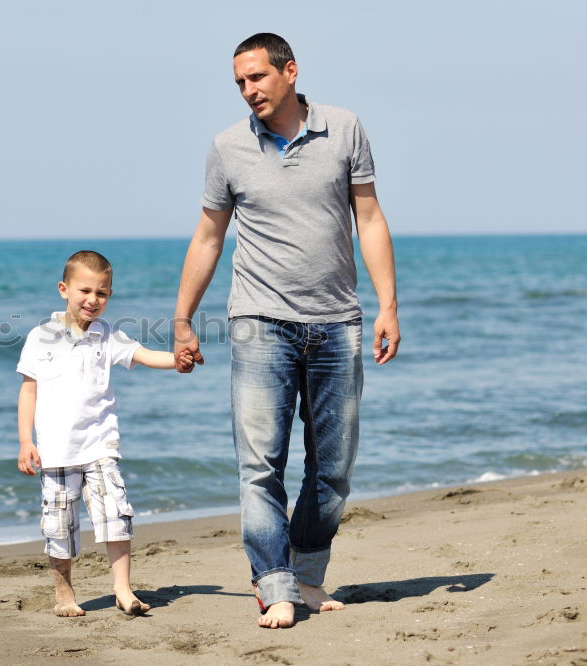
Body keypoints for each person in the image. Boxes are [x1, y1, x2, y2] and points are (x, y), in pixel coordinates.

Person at [173, 33, 400, 629]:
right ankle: (274, 584)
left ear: (290, 72)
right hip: (258, 323)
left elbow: (369, 218)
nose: (249, 91)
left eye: (257, 78)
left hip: (336, 322)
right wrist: (182, 320)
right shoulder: (227, 148)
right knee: (260, 465)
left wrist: (388, 306)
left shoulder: (345, 129)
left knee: (333, 469)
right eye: (240, 83)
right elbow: (208, 237)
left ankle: (307, 574)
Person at [16, 250, 193, 617]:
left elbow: (142, 355)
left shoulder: (107, 335)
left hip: (100, 445)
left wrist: (175, 360)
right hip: (56, 451)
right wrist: (25, 441)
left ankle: (123, 589)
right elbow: (28, 390)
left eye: (102, 293)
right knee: (59, 527)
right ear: (64, 289)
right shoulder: (40, 336)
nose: (93, 300)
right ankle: (64, 594)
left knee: (116, 514)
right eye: (85, 291)